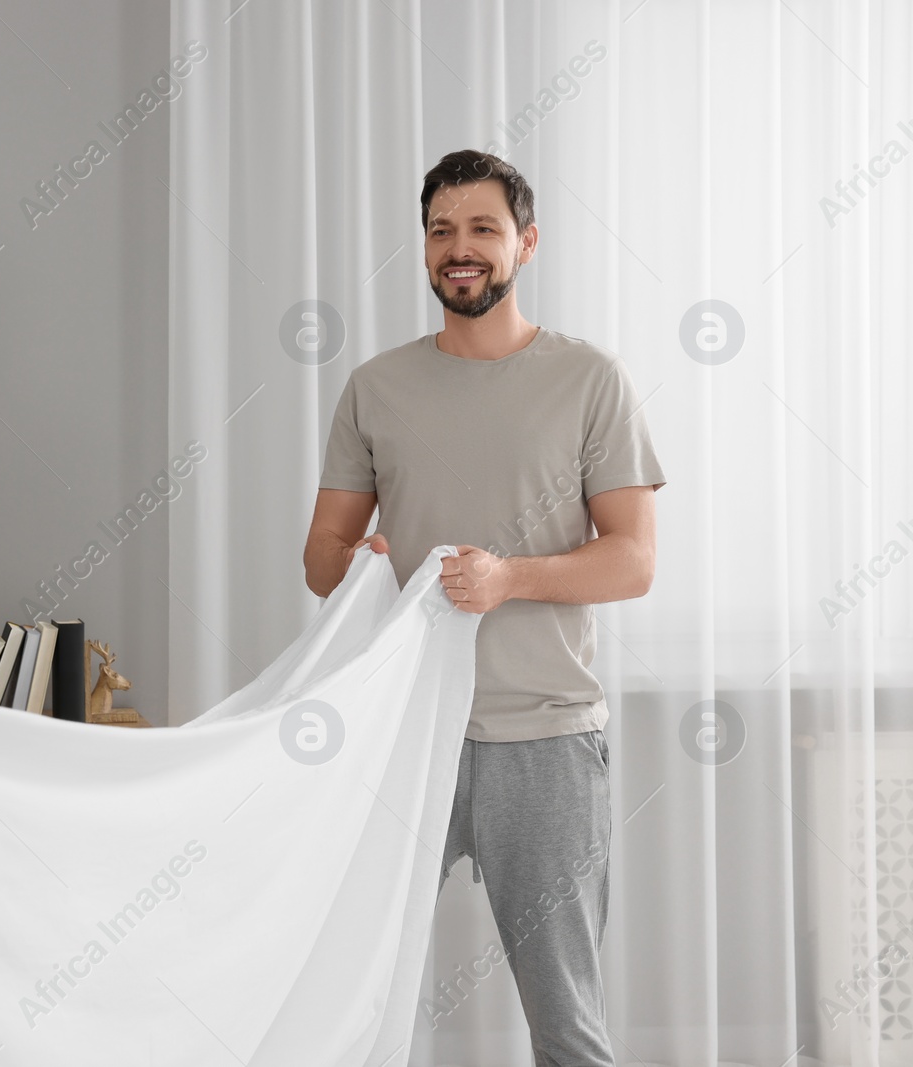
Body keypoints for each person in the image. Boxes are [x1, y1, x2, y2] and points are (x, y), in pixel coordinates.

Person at [303, 149, 666, 1065]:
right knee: (343, 999)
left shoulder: (592, 381)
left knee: (568, 1026)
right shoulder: (375, 388)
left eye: (481, 230)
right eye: (440, 231)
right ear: (423, 249)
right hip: (401, 735)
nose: (458, 249)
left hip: (544, 742)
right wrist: (362, 562)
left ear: (525, 243)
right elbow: (320, 561)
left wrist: (510, 579)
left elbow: (633, 561)